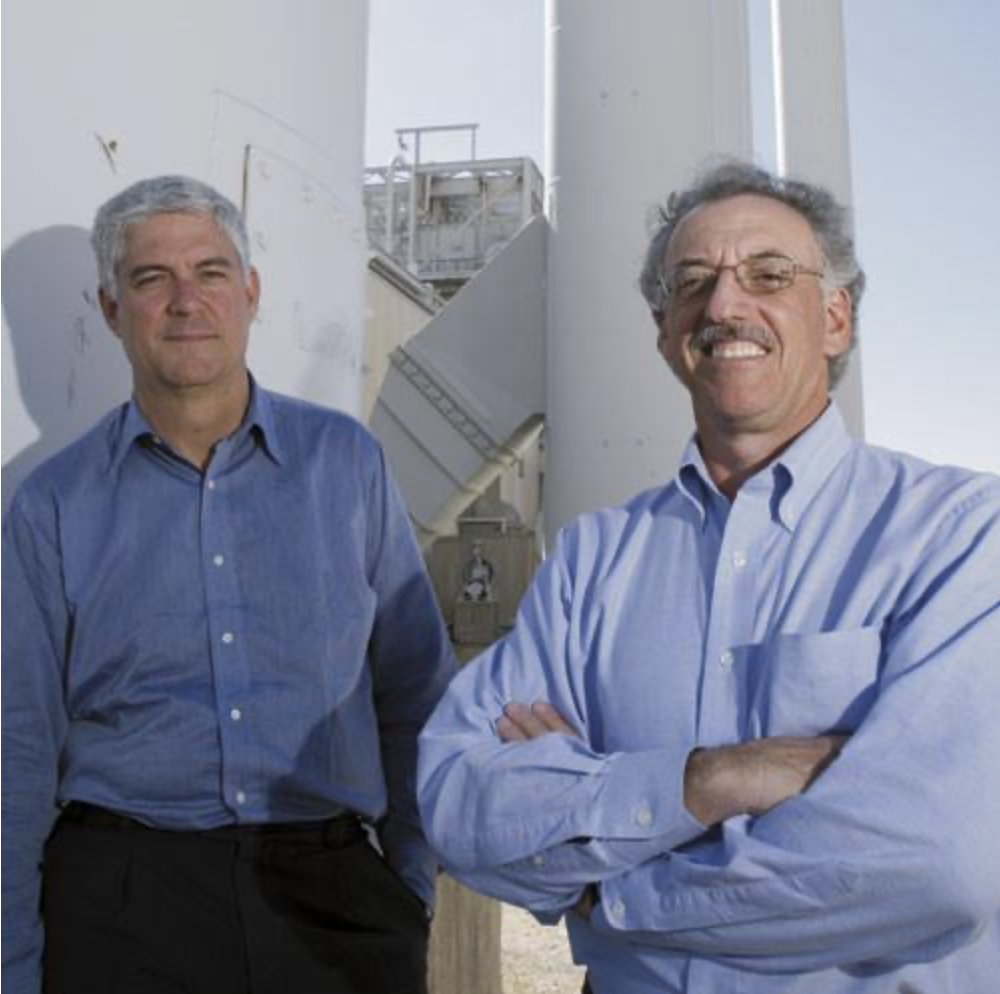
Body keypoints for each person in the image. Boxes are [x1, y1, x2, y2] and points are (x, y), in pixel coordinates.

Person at [417, 160, 1000, 994]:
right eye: (693, 282)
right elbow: (459, 804)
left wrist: (614, 892)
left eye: (769, 275)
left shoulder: (961, 535)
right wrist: (716, 778)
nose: (725, 304)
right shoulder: (592, 559)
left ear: (836, 318)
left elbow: (935, 865)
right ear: (665, 331)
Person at [2, 175, 456, 994]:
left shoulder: (345, 464)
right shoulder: (51, 504)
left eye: (210, 272)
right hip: (123, 905)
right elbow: (16, 745)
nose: (186, 301)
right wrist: (12, 965)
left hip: (333, 899)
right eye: (152, 278)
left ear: (249, 292)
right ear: (110, 308)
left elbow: (414, 688)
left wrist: (408, 885)